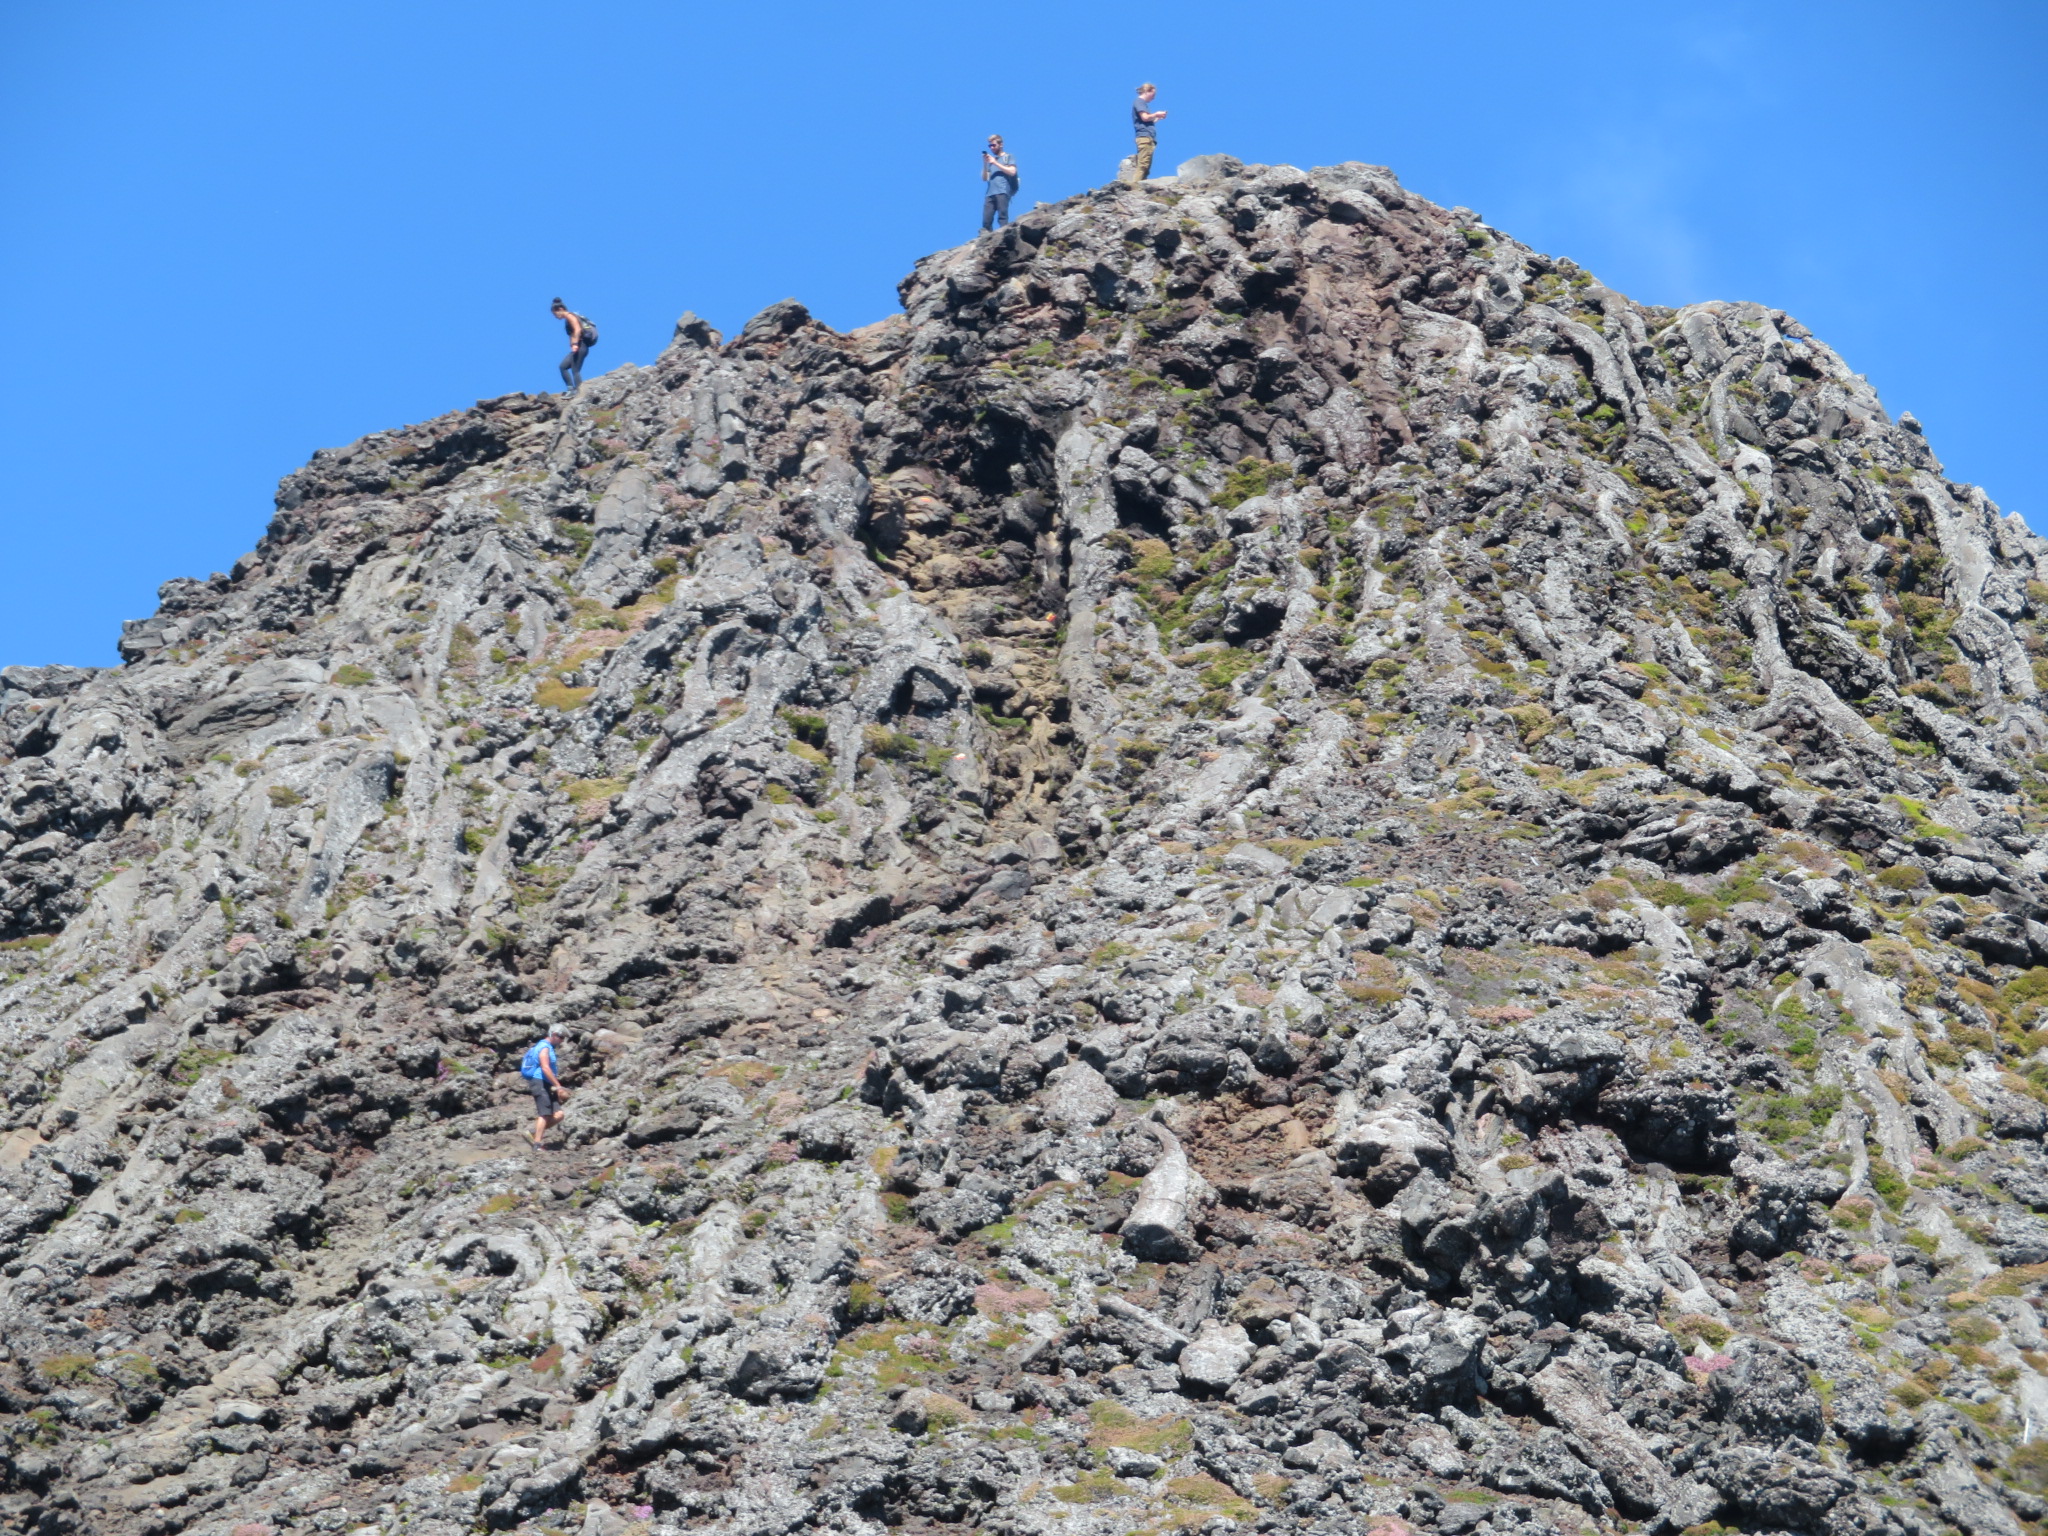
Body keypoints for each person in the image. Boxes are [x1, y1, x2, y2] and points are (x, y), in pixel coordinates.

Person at [521, 1026, 571, 1149]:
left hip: (547, 1083)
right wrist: (558, 1086)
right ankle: (537, 1145)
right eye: (560, 1037)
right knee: (544, 1114)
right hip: (539, 1082)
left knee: (559, 1114)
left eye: (563, 1038)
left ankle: (532, 1133)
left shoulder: (549, 1048)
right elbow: (545, 1067)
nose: (561, 1040)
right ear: (553, 1034)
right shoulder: (544, 1047)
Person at [551, 298, 594, 391]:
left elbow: (577, 329)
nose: (555, 317)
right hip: (580, 346)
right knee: (563, 366)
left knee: (575, 370)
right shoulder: (568, 318)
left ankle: (579, 391)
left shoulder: (570, 316)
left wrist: (574, 344)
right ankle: (571, 389)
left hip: (581, 345)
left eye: (555, 314)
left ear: (561, 309)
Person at [1127, 83, 1167, 183]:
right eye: (1153, 95)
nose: (1153, 98)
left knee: (1146, 166)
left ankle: (1140, 186)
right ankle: (1135, 187)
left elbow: (1148, 120)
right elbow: (1144, 117)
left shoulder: (1142, 103)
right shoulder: (1139, 102)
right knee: (1143, 165)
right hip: (1144, 137)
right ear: (1146, 91)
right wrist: (1156, 114)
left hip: (1148, 137)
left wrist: (1157, 118)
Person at [981, 135, 1018, 231]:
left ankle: (1005, 237)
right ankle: (987, 241)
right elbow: (985, 178)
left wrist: (995, 163)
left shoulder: (1008, 157)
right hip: (990, 193)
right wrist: (985, 164)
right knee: (986, 221)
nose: (991, 148)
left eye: (993, 145)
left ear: (1001, 144)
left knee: (1002, 217)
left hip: (1002, 191)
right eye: (990, 146)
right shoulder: (992, 161)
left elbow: (1012, 171)